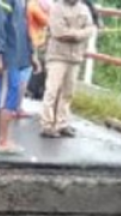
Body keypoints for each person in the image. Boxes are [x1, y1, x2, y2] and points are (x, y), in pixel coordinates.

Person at [38, 0, 92, 138]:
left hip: (75, 56)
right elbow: (59, 32)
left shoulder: (84, 8)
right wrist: (79, 34)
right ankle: (47, 124)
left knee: (68, 92)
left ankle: (62, 123)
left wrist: (75, 34)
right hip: (57, 55)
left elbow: (90, 29)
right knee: (52, 91)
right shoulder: (57, 8)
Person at [0, 0, 32, 154]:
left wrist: (30, 54)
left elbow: (23, 29)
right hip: (6, 58)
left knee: (11, 98)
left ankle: (4, 138)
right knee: (5, 99)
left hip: (16, 58)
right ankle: (2, 140)